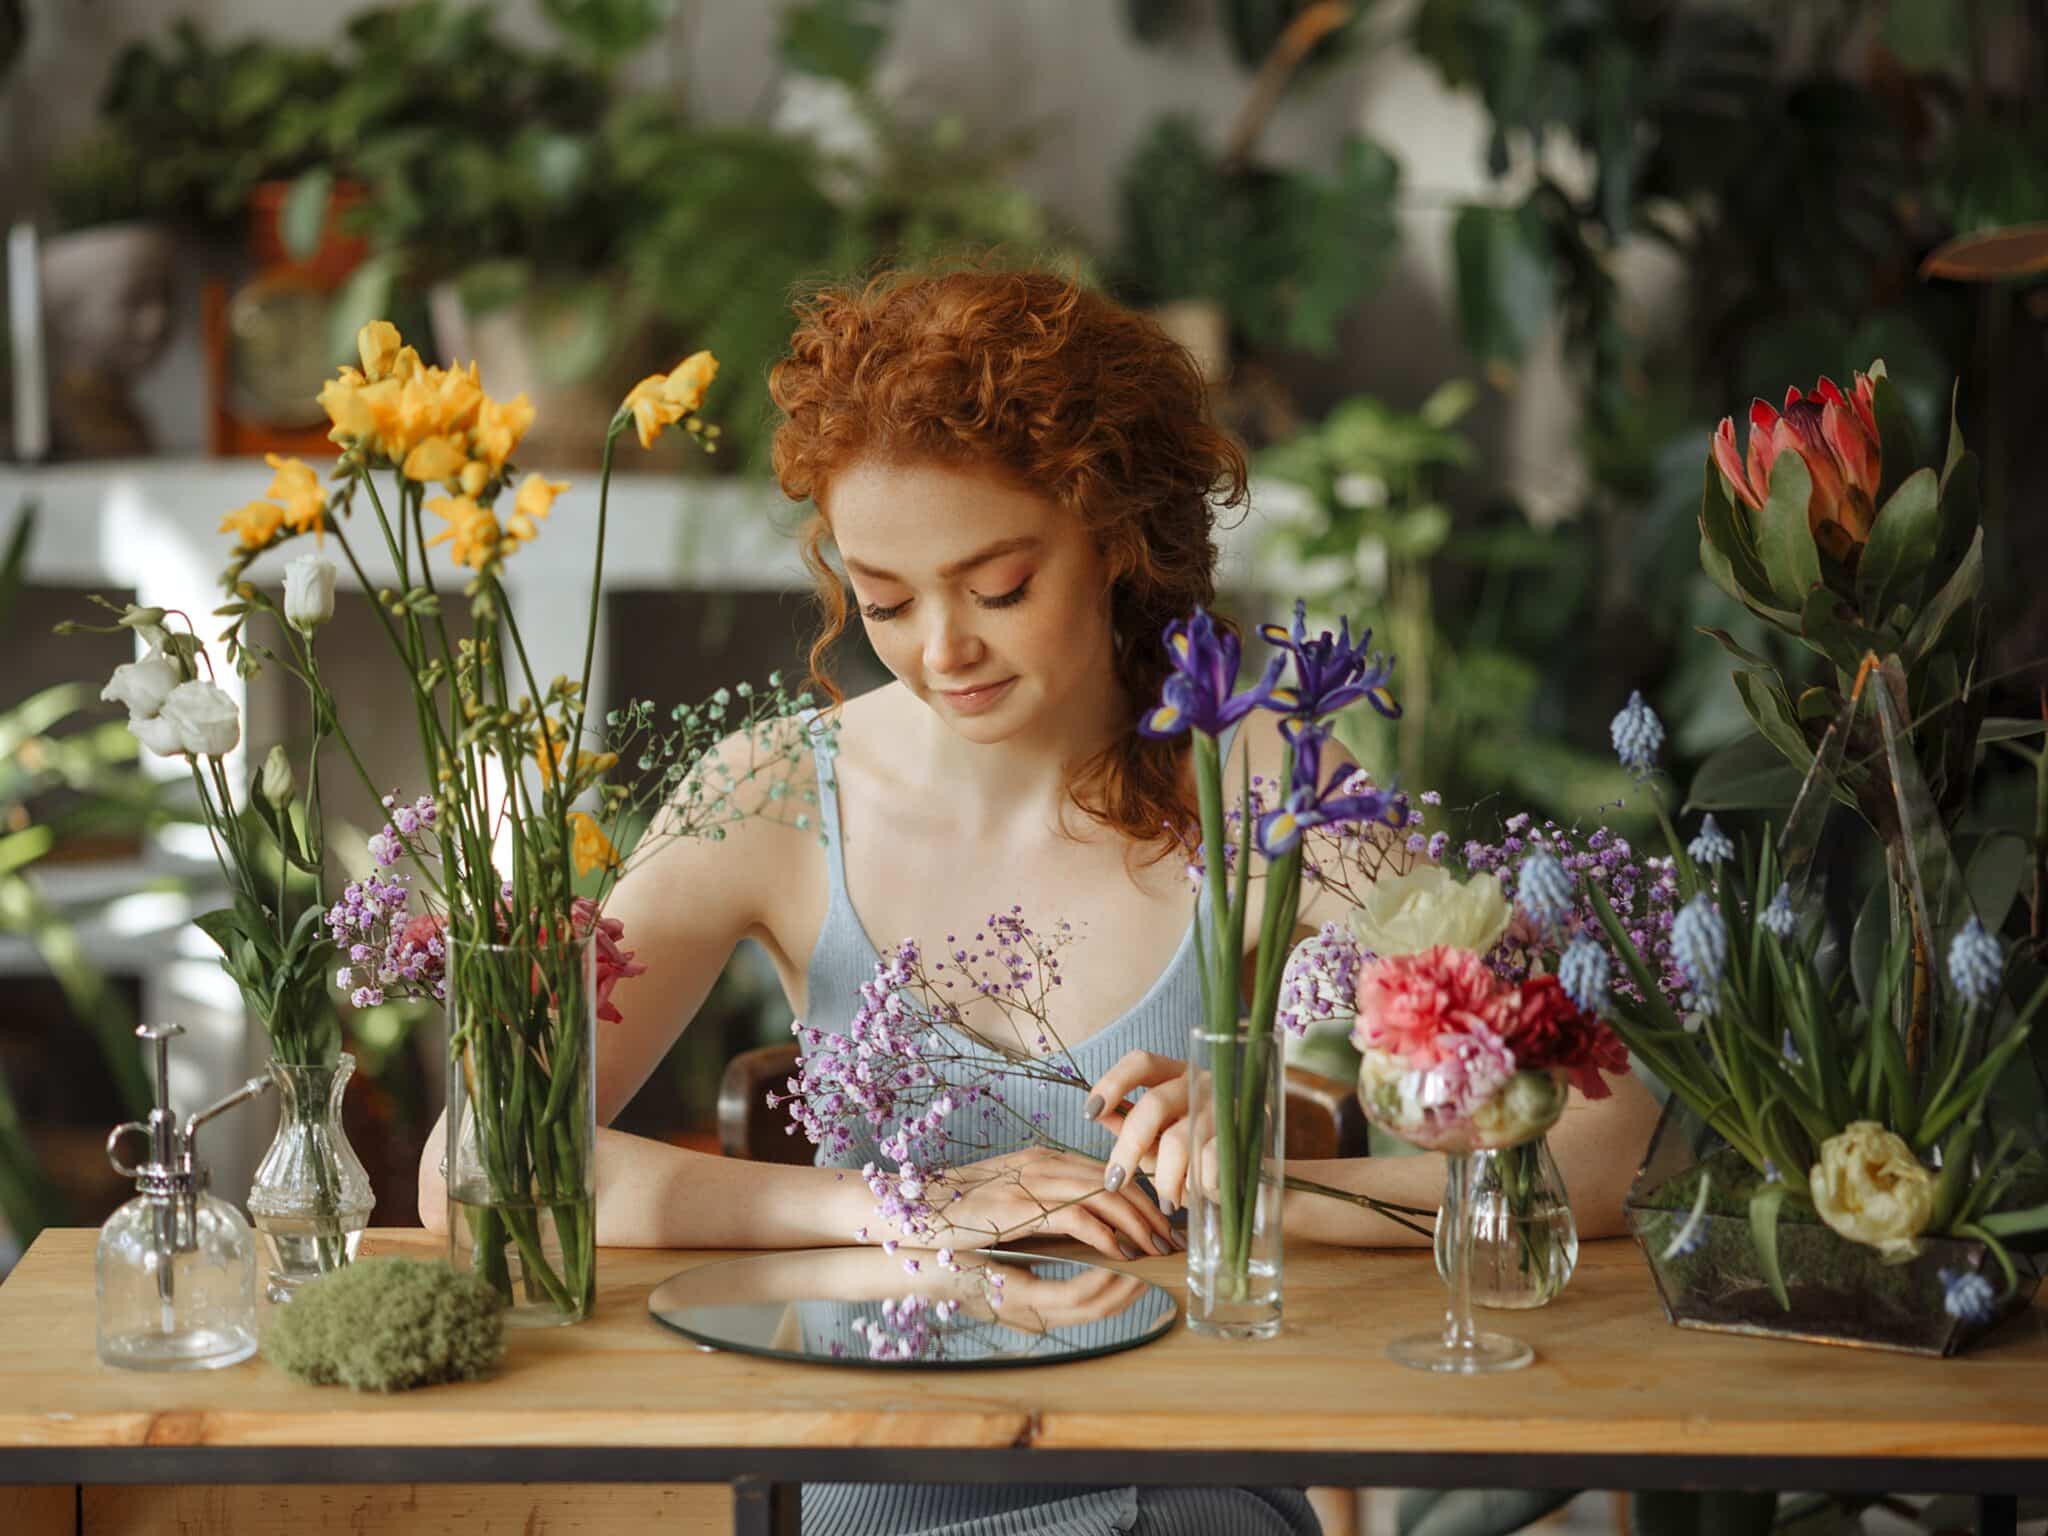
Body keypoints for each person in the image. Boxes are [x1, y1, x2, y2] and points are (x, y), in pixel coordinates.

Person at [419, 267, 1662, 1534]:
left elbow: (1597, 1146)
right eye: (885, 601)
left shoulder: (1257, 779)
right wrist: (900, 1209)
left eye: (998, 587)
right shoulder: (774, 791)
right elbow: (475, 1162)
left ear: (1118, 539)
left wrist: (1265, 1179)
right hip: (881, 1497)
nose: (941, 649)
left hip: (1182, 1496)